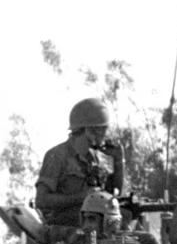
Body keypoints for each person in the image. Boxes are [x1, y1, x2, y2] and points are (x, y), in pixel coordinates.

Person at [36, 98, 124, 230]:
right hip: (62, 225)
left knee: (144, 238)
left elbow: (113, 196)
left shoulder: (97, 158)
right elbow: (41, 200)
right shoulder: (57, 156)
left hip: (95, 222)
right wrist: (80, 198)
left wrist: (119, 161)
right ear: (89, 130)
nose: (106, 133)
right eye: (102, 129)